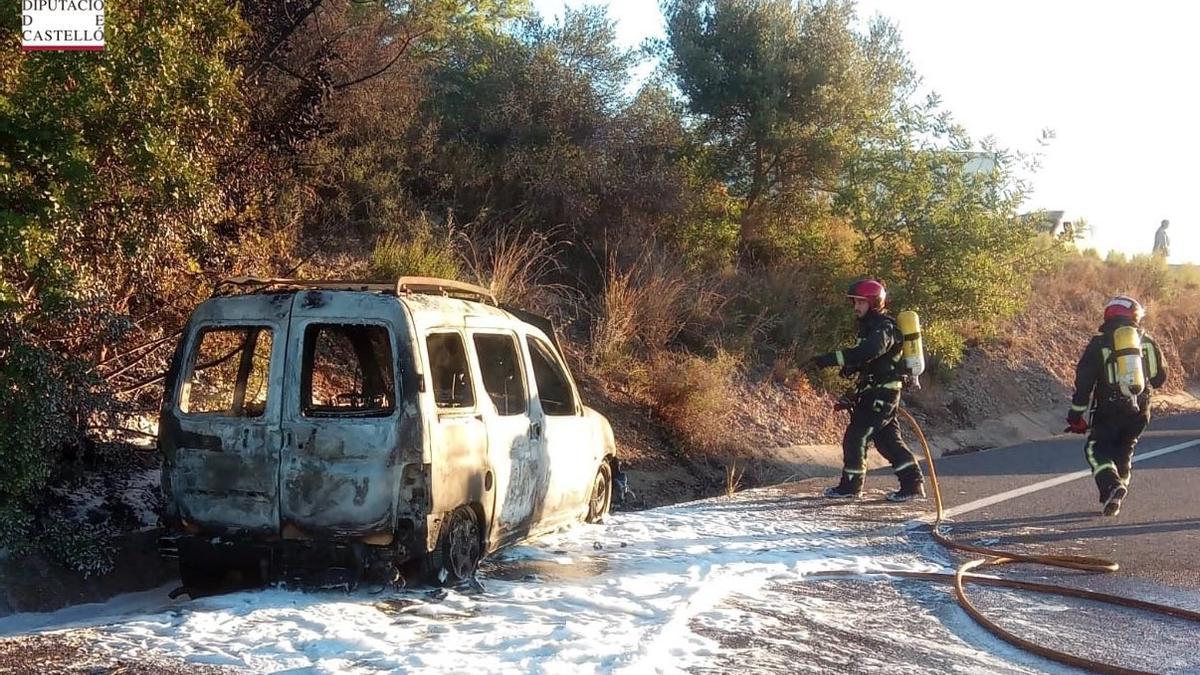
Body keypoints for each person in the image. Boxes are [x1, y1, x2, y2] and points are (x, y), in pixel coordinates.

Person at [808, 278, 925, 502]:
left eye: (861, 302)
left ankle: (850, 488)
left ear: (874, 302)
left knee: (856, 437)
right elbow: (866, 359)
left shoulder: (885, 327)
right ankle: (913, 486)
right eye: (855, 303)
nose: (856, 307)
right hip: (875, 392)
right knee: (888, 442)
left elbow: (869, 351)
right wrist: (851, 370)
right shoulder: (870, 327)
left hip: (882, 394)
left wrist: (827, 360)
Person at [1065, 296, 1167, 516]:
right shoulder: (1146, 341)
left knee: (1095, 449)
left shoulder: (1099, 343)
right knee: (1125, 449)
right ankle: (1117, 492)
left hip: (1109, 410)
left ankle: (1112, 486)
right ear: (1135, 316)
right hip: (1140, 410)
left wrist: (1076, 415)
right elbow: (1160, 378)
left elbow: (1084, 383)